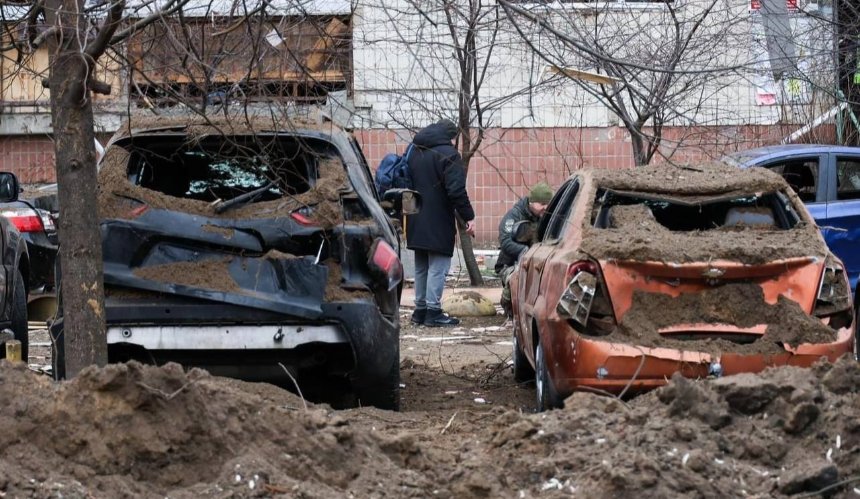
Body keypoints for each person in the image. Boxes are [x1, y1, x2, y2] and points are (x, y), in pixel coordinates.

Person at [406, 119, 476, 327]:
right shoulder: (449, 155)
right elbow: (456, 190)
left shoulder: (414, 151)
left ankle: (420, 311)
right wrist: (468, 216)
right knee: (438, 265)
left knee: (421, 266)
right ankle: (433, 312)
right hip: (438, 219)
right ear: (452, 137)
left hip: (415, 215)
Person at [495, 182, 554, 319]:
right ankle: (508, 304)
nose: (545, 208)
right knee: (516, 278)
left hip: (539, 262)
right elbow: (505, 241)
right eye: (541, 204)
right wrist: (524, 251)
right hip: (510, 264)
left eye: (547, 204)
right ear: (531, 202)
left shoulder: (547, 217)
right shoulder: (514, 217)